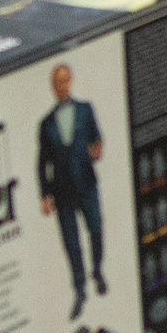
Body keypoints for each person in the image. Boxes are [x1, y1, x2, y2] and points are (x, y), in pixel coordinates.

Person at [38, 63, 106, 317]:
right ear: (52, 87)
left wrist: (98, 147)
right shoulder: (45, 124)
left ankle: (97, 271)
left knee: (96, 230)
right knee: (71, 243)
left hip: (86, 183)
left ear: (71, 81)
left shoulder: (85, 110)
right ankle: (79, 290)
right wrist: (45, 194)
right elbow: (42, 162)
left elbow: (96, 137)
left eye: (65, 81)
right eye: (57, 82)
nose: (61, 86)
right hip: (62, 190)